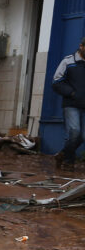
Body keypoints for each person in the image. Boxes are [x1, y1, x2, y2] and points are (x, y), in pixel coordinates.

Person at [52, 36, 85, 171]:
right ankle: (68, 162)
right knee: (75, 132)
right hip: (72, 104)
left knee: (83, 136)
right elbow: (56, 81)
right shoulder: (68, 61)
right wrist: (71, 93)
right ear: (81, 46)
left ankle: (62, 154)